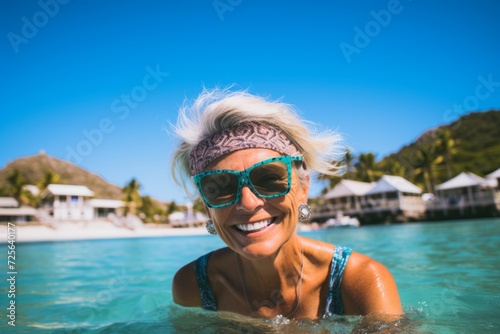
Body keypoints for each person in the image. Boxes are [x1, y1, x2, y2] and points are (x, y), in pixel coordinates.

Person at [171, 88, 403, 320]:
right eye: (220, 188)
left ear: (303, 188)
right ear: (206, 208)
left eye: (269, 179)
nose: (248, 203)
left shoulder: (360, 281)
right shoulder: (193, 286)